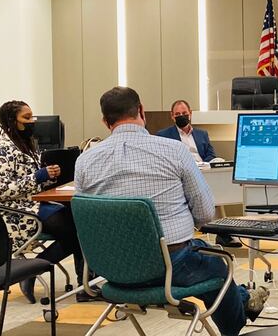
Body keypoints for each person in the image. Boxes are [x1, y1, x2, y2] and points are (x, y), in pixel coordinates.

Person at [74, 87, 266, 336]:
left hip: (111, 271)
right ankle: (238, 316)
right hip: (169, 268)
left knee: (206, 262)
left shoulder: (85, 161)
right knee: (219, 264)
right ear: (141, 111)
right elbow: (206, 213)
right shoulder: (174, 151)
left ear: (104, 121)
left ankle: (242, 297)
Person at [0, 101, 84, 303]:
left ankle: (82, 281)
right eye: (27, 118)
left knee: (79, 225)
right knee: (75, 231)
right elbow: (1, 189)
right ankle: (37, 272)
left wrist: (49, 177)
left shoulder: (27, 144)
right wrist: (38, 177)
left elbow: (31, 181)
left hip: (33, 204)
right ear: (12, 121)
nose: (33, 121)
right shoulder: (3, 149)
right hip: (15, 211)